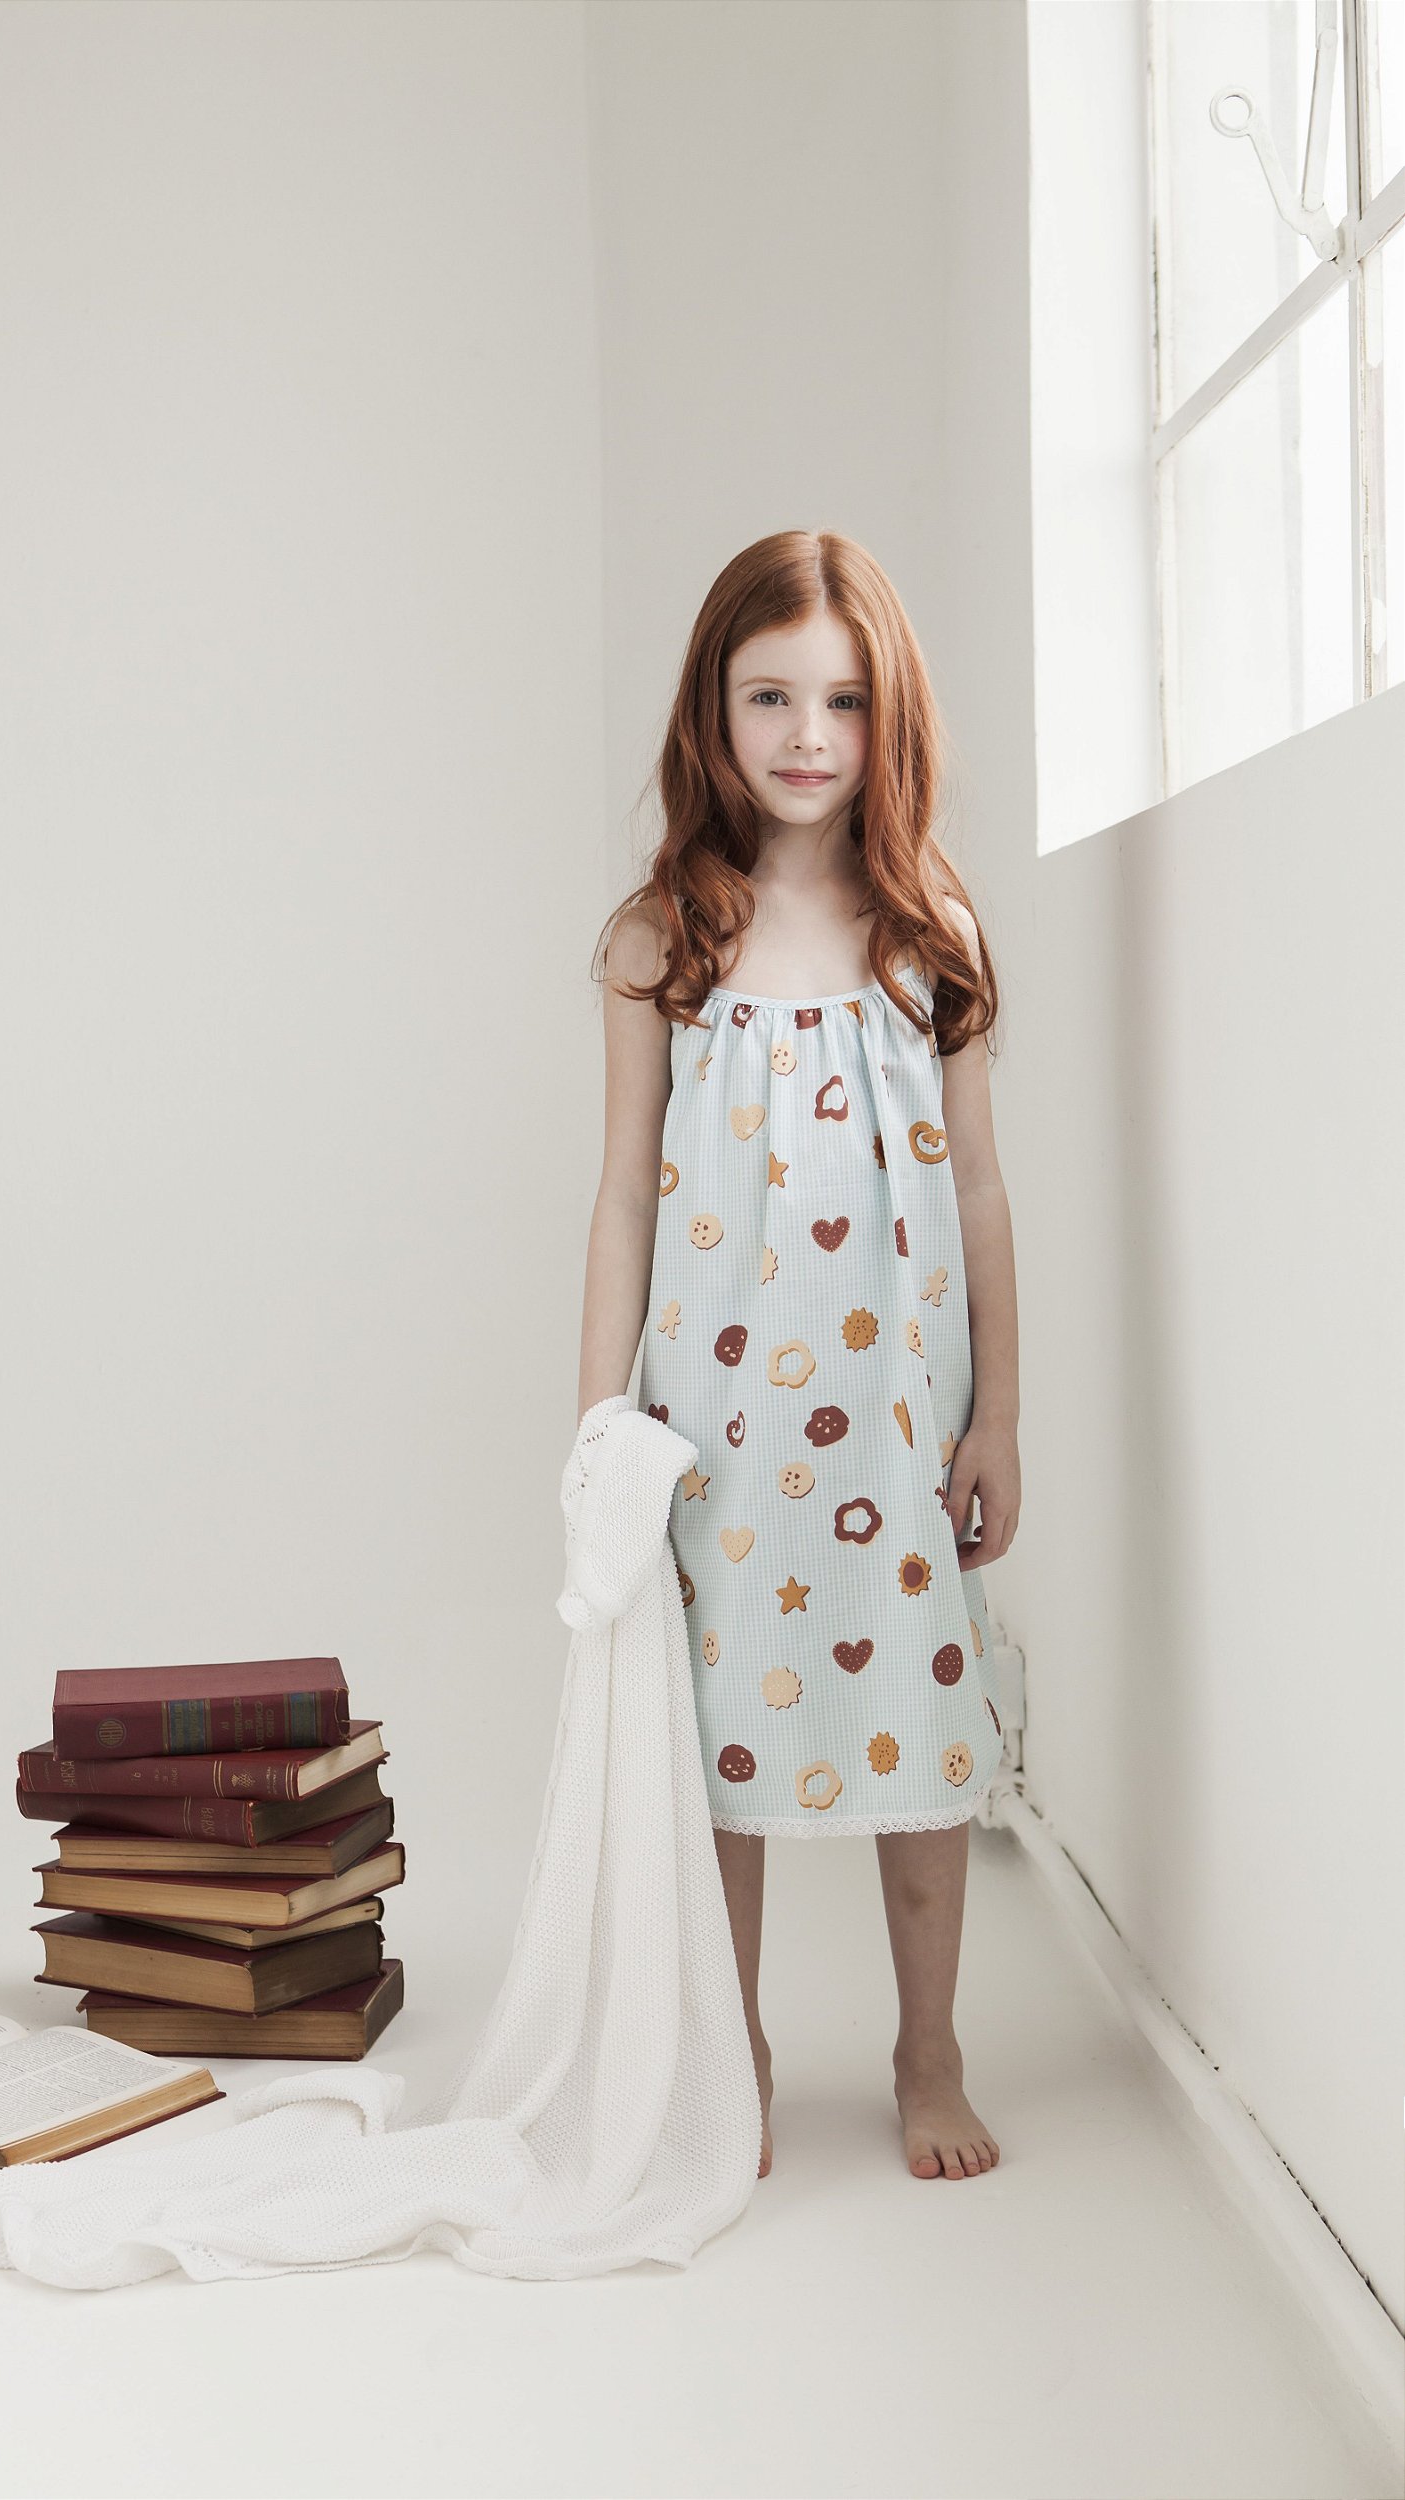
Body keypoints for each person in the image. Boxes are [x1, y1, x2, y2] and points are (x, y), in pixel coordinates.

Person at [577, 529, 1020, 2185]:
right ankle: (735, 2047)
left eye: (841, 700)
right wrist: (598, 1424)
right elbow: (623, 1190)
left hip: (896, 1420)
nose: (807, 736)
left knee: (918, 1722)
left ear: (886, 714)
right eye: (768, 697)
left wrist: (999, 1417)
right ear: (713, 709)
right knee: (722, 1741)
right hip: (717, 1421)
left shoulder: (929, 930)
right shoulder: (663, 941)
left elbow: (978, 1189)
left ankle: (928, 2048)